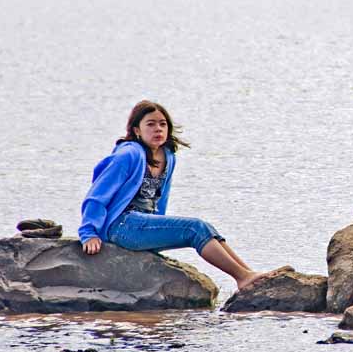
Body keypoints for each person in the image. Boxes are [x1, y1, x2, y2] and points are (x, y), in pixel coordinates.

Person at [79, 100, 267, 290]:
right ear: (137, 130)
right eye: (150, 124)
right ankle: (242, 277)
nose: (158, 129)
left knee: (206, 228)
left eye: (163, 124)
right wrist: (89, 233)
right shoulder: (128, 155)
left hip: (143, 224)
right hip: (121, 226)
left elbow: (161, 199)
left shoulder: (167, 156)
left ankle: (248, 274)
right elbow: (96, 196)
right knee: (195, 228)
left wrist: (157, 232)